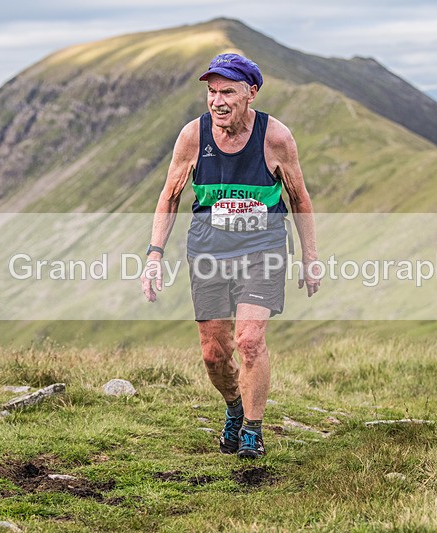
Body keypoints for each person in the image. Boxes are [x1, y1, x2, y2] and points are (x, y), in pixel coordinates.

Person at [142, 53, 319, 459]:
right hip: (208, 250)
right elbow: (169, 196)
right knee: (214, 353)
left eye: (228, 92)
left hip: (263, 248)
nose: (217, 101)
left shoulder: (276, 137)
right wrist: (154, 255)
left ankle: (253, 431)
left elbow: (298, 197)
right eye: (211, 92)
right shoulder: (193, 136)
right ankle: (235, 408)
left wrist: (310, 256)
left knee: (250, 340)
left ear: (251, 93)